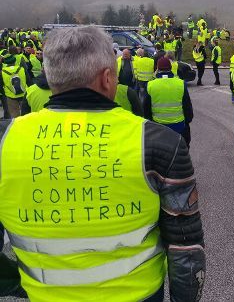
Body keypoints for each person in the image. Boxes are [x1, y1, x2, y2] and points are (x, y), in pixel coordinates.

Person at [0, 26, 205, 301]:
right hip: (139, 295)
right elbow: (185, 247)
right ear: (107, 78)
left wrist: (17, 282)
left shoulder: (5, 140)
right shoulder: (160, 142)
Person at [144, 57, 194, 146]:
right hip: (179, 126)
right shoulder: (181, 84)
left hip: (158, 126)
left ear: (157, 69)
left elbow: (146, 109)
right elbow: (187, 106)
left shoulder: (150, 85)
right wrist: (187, 121)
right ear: (171, 68)